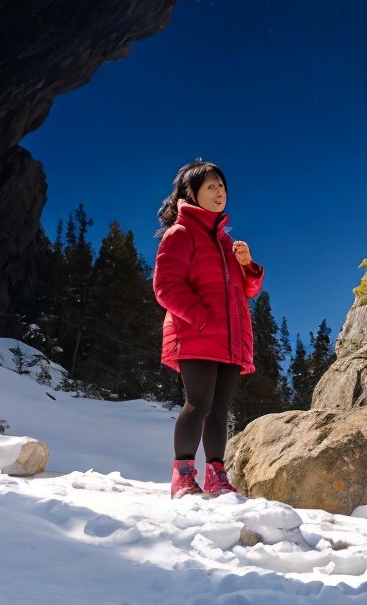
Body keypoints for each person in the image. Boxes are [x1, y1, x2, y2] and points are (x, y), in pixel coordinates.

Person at [152, 160, 264, 498]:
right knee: (198, 405)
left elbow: (247, 291)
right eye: (211, 186)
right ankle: (183, 476)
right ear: (192, 193)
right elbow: (165, 286)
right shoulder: (181, 233)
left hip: (230, 340)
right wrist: (201, 319)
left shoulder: (227, 243)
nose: (219, 192)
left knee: (218, 412)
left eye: (222, 186)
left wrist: (248, 266)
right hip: (196, 335)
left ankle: (217, 476)